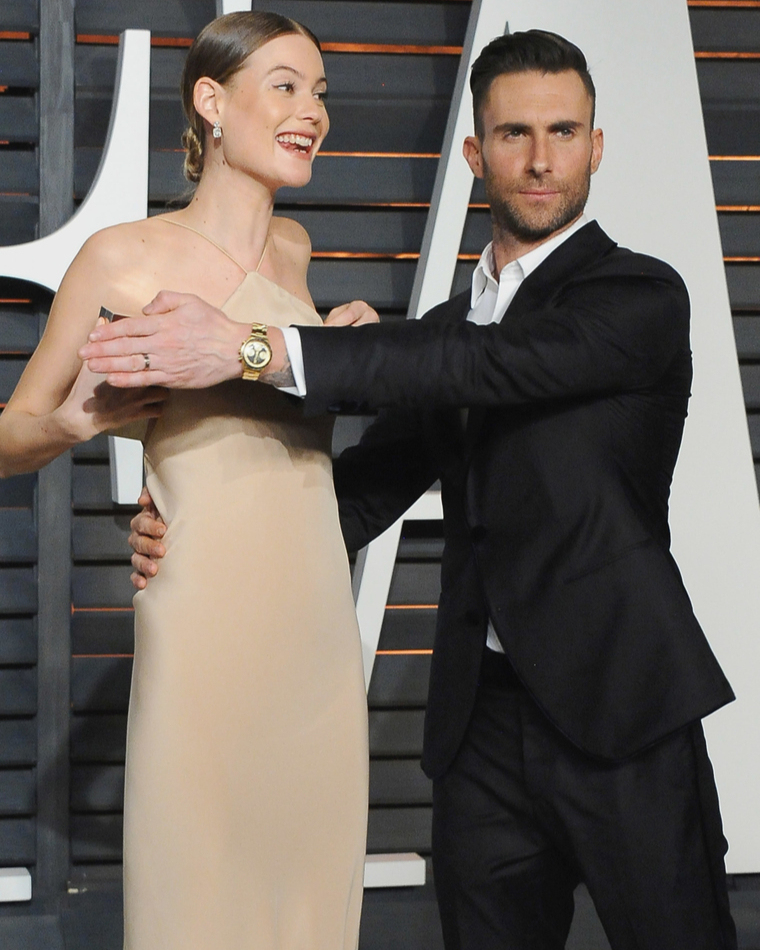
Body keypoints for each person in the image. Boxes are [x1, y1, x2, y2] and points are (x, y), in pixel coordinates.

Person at [88, 29, 739, 950]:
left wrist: (254, 348)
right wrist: (193, 522)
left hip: (623, 715)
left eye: (564, 131)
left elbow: (484, 365)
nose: (542, 159)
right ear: (476, 153)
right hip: (481, 732)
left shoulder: (638, 298)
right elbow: (352, 496)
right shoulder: (448, 329)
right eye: (514, 134)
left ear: (598, 146)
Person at [0, 12, 375, 950]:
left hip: (318, 622)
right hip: (201, 620)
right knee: (193, 896)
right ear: (211, 100)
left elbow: (280, 422)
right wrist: (80, 420)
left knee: (310, 899)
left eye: (319, 92)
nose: (310, 111)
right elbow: (7, 441)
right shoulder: (125, 256)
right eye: (284, 85)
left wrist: (346, 349)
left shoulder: (297, 254)